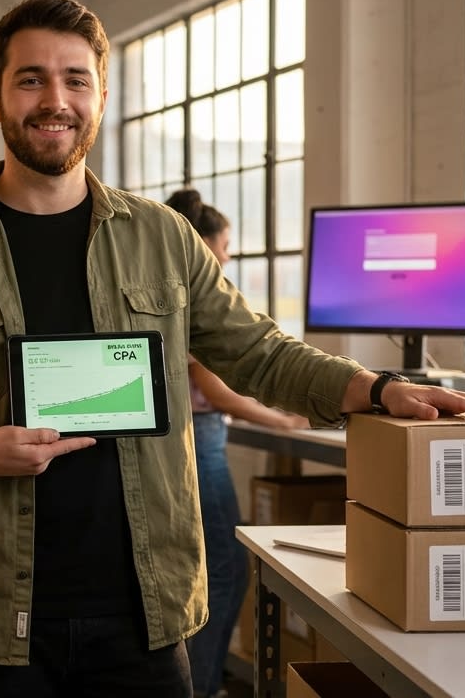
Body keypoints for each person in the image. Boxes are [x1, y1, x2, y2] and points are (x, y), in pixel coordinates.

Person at [0, 0, 465, 697]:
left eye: (75, 80)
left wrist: (377, 388)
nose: (54, 100)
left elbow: (260, 353)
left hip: (141, 611)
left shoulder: (162, 237)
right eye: (31, 78)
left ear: (99, 96)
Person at [165, 188, 307, 698]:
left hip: (191, 439)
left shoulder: (166, 276)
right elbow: (214, 388)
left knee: (207, 570)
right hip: (199, 444)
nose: (227, 255)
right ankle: (201, 686)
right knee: (222, 570)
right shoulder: (196, 287)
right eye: (224, 244)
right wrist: (283, 422)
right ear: (203, 243)